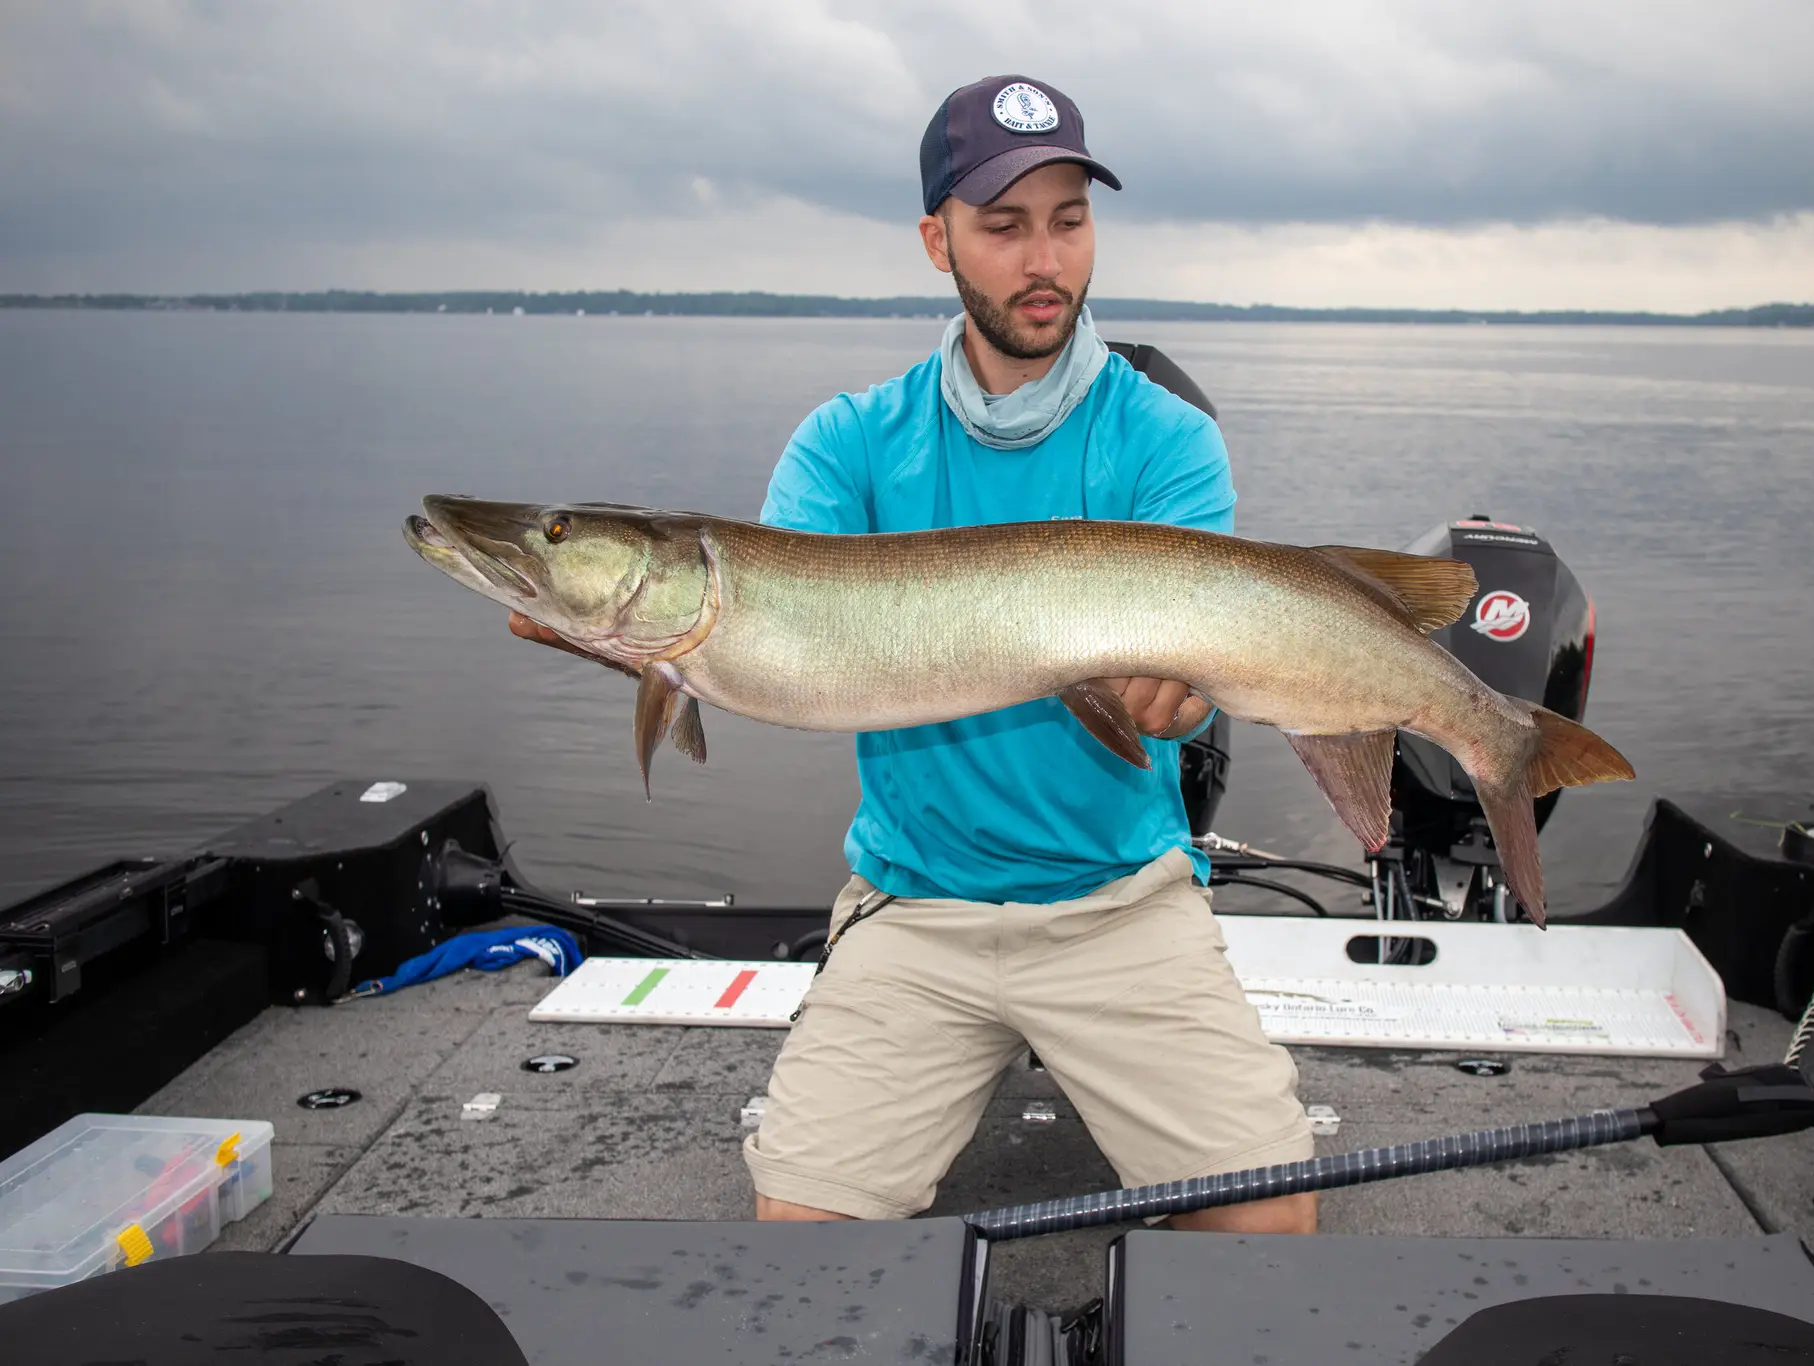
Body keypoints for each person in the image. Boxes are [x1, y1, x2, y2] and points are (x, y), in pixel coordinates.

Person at [511, 74, 1315, 1233]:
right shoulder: (845, 444)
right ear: (937, 240)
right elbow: (780, 647)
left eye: (1068, 220)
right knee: (804, 1237)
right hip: (914, 908)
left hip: (1119, 906)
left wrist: (1179, 702)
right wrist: (639, 644)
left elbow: (1186, 696)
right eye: (1003, 226)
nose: (1044, 259)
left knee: (1266, 1227)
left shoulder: (1166, 439)